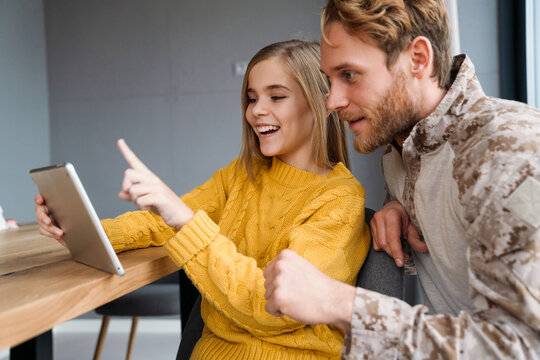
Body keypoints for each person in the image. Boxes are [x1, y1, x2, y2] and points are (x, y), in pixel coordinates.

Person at [35, 39, 371, 360]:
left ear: (320, 103)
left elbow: (269, 308)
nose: (256, 111)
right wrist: (81, 230)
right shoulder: (242, 174)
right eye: (252, 98)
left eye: (276, 97)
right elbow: (161, 222)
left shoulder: (339, 198)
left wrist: (185, 220)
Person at [263, 1, 540, 359]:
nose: (332, 100)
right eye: (329, 79)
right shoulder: (400, 146)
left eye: (349, 75)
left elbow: (522, 347)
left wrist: (338, 302)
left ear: (418, 59)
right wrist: (398, 205)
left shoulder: (506, 149)